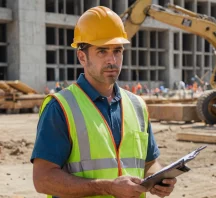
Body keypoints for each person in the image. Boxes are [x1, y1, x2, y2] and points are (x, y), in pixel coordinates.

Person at [31, 6, 177, 198]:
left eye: (117, 50)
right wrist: (107, 187)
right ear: (82, 56)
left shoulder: (137, 105)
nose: (112, 60)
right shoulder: (60, 107)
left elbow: (149, 163)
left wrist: (157, 179)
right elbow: (43, 179)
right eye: (102, 51)